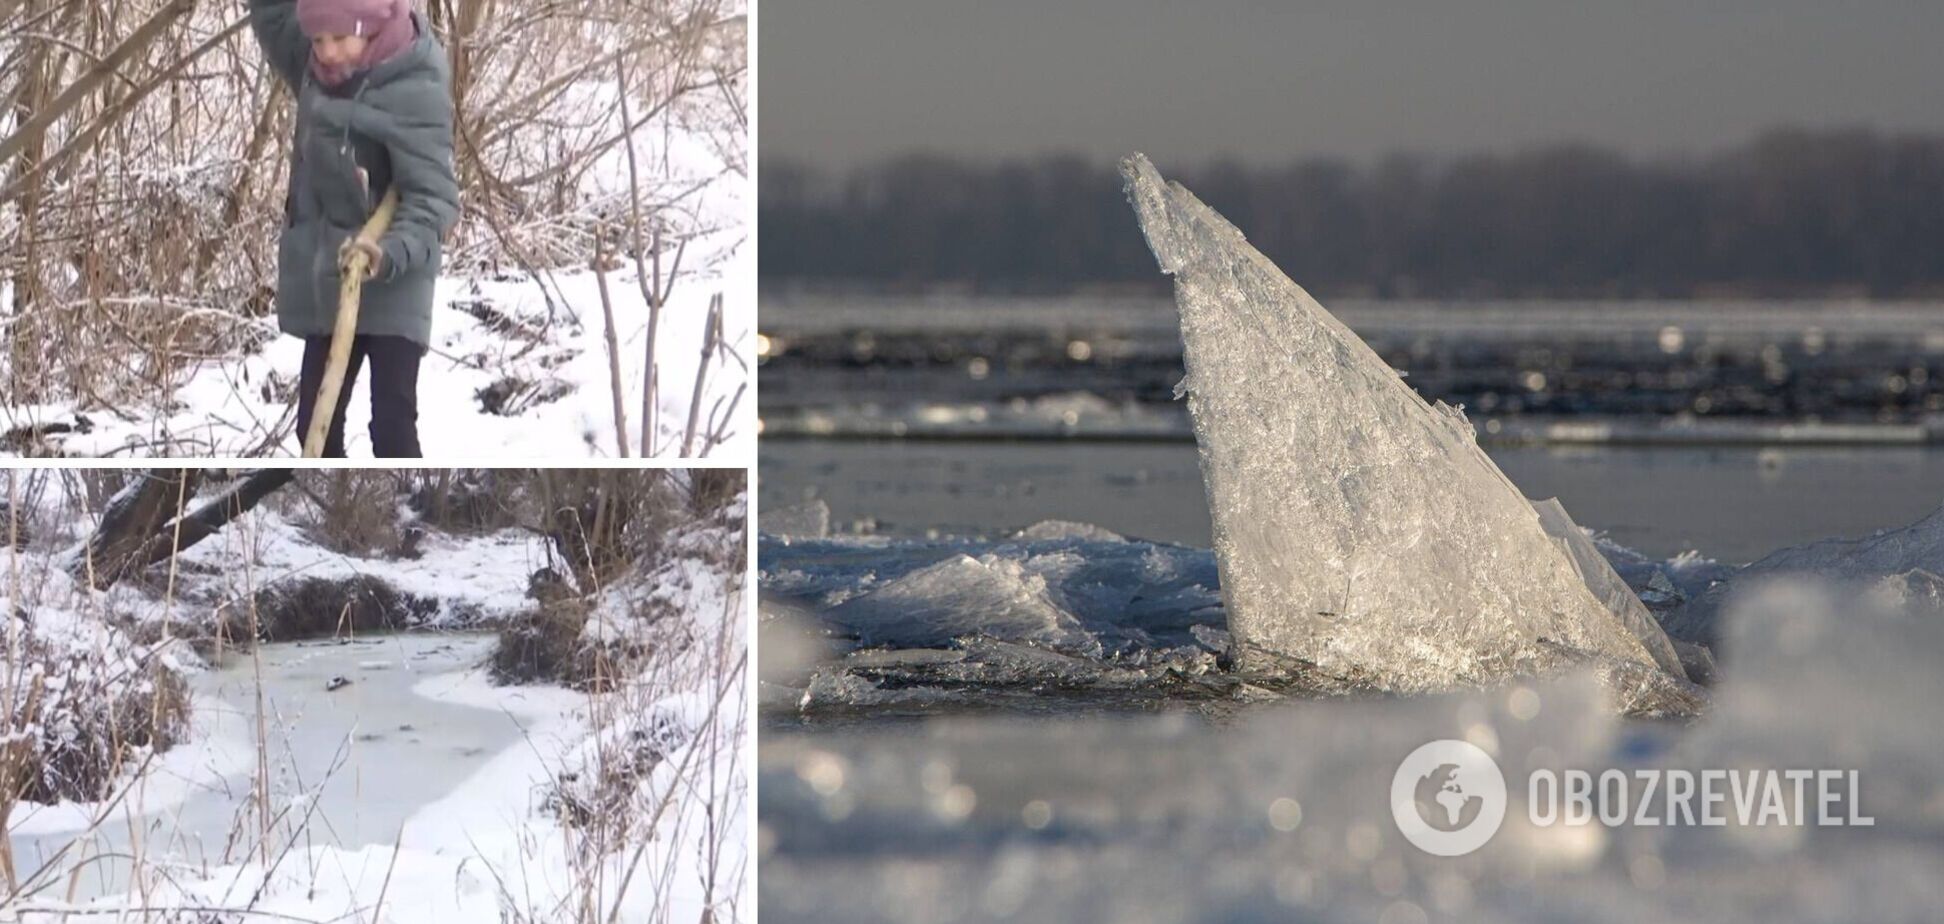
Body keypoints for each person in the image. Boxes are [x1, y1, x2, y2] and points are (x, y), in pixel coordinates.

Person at [249, 0, 459, 457]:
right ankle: (331, 509)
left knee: (392, 427)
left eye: (339, 40)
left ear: (372, 27)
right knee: (314, 432)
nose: (327, 53)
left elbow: (433, 199)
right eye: (318, 39)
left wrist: (388, 253)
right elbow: (272, 15)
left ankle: (406, 510)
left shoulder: (413, 83)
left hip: (394, 272)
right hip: (333, 274)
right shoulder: (317, 61)